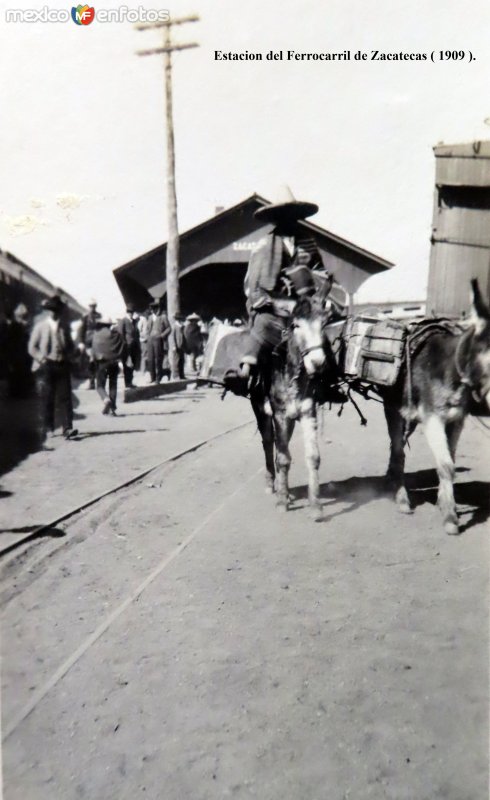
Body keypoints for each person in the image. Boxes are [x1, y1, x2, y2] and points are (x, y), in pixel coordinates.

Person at [225, 187, 346, 404]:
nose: (289, 219)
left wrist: (310, 283)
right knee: (261, 327)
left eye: (292, 214)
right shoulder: (264, 245)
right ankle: (244, 372)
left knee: (319, 335)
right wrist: (275, 300)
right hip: (273, 308)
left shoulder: (307, 241)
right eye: (284, 215)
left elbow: (319, 270)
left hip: (304, 306)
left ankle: (329, 382)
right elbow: (254, 283)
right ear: (277, 218)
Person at [28, 293, 78, 439]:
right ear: (48, 311)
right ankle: (49, 427)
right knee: (48, 397)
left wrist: (71, 354)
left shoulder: (64, 327)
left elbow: (69, 345)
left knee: (65, 397)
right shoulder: (40, 326)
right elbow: (32, 347)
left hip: (62, 364)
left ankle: (67, 428)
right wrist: (41, 359)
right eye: (52, 310)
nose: (55, 313)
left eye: (57, 310)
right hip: (46, 365)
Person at [92, 316, 125, 415]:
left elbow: (94, 350)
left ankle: (106, 399)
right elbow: (123, 345)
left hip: (102, 363)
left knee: (99, 385)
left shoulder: (97, 335)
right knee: (113, 384)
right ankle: (112, 409)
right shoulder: (116, 335)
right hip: (114, 362)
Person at [6, 303, 32, 397]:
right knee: (19, 372)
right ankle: (20, 392)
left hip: (18, 353)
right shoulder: (19, 326)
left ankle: (16, 392)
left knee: (16, 373)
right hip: (20, 353)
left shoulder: (15, 325)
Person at [146, 299, 171, 384]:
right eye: (152, 309)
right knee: (150, 359)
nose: (153, 311)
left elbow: (169, 328)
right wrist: (147, 336)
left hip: (158, 340)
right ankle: (152, 377)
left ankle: (158, 378)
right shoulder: (150, 317)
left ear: (158, 309)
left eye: (155, 309)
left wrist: (162, 335)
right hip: (150, 340)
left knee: (158, 359)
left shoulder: (163, 317)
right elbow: (147, 329)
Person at [117, 303, 141, 388]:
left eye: (131, 312)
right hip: (127, 347)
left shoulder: (134, 322)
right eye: (129, 312)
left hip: (134, 346)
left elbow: (136, 334)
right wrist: (124, 345)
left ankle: (130, 382)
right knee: (127, 364)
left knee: (132, 364)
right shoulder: (123, 321)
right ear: (127, 312)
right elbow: (121, 334)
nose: (130, 314)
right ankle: (127, 383)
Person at [78, 299, 101, 389]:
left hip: (98, 342)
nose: (92, 308)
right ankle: (91, 382)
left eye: (94, 306)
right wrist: (81, 342)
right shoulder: (85, 317)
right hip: (88, 343)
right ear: (89, 307)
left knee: (98, 362)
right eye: (91, 306)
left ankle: (99, 383)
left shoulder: (99, 316)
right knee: (90, 362)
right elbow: (81, 330)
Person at [172, 313, 186, 379]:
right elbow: (173, 337)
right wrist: (174, 345)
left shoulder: (182, 326)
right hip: (176, 346)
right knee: (176, 360)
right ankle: (176, 375)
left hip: (181, 346)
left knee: (182, 360)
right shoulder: (175, 326)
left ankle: (181, 375)